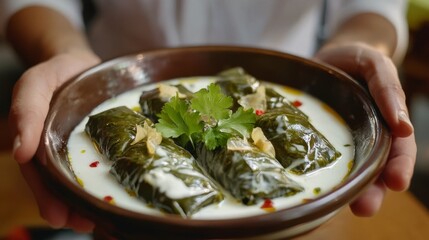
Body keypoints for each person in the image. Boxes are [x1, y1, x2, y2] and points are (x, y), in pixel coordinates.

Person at [0, 0, 416, 233]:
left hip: (293, 81)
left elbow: (373, 6)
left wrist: (362, 52)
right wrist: (61, 53)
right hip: (112, 77)